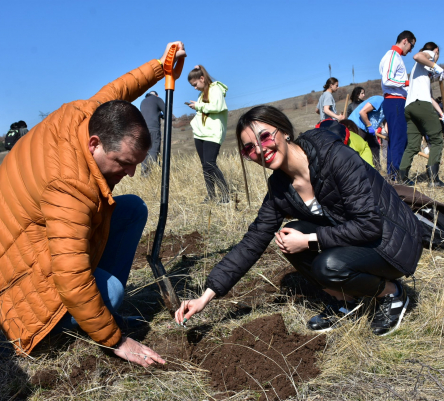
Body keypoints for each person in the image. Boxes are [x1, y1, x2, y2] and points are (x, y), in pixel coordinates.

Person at [0, 41, 187, 367]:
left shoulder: (84, 115)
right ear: (95, 144)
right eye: (124, 162)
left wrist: (159, 67)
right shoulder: (69, 187)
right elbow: (73, 280)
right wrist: (116, 340)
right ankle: (32, 326)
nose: (131, 172)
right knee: (112, 293)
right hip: (7, 276)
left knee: (132, 209)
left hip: (7, 242)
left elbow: (118, 89)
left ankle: (87, 312)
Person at [175, 105, 423, 335]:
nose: (260, 150)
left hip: (393, 240)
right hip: (358, 238)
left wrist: (310, 241)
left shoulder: (335, 157)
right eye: (249, 148)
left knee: (327, 264)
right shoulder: (280, 187)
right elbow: (253, 241)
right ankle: (345, 301)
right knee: (288, 234)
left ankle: (392, 293)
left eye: (265, 137)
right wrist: (205, 296)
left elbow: (368, 225)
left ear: (284, 132)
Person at [399, 42, 444, 188]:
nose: (437, 57)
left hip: (410, 107)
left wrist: (442, 115)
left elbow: (429, 97)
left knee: (413, 146)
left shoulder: (421, 72)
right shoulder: (430, 54)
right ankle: (434, 180)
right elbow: (417, 55)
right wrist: (436, 65)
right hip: (421, 104)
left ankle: (402, 179)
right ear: (436, 50)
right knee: (437, 140)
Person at [187, 65, 230, 203]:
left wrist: (198, 106)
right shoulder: (202, 94)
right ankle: (211, 195)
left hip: (212, 133)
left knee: (210, 164)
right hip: (200, 134)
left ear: (202, 78)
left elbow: (217, 107)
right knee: (205, 166)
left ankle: (225, 195)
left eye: (195, 84)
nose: (195, 88)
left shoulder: (215, 89)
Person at [379, 30, 416, 180]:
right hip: (394, 100)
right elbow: (387, 80)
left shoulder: (395, 56)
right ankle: (396, 177)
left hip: (396, 101)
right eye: (411, 45)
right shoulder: (392, 56)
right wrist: (407, 82)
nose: (411, 49)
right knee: (398, 139)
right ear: (405, 40)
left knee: (398, 139)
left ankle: (394, 175)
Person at [348, 95, 386, 168]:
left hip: (368, 129)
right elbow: (362, 112)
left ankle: (376, 171)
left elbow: (386, 124)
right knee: (358, 148)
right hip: (357, 126)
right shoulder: (379, 99)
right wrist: (369, 126)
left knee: (375, 147)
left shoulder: (388, 109)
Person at [140, 90, 165, 176]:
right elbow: (167, 112)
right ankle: (152, 173)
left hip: (142, 130)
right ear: (156, 95)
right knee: (154, 150)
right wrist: (162, 116)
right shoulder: (157, 99)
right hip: (153, 129)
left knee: (145, 151)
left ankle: (144, 173)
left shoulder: (143, 102)